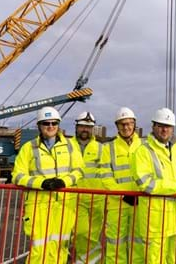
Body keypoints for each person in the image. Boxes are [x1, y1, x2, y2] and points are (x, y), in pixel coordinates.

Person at [12, 106, 85, 264]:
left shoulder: (71, 146)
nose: (50, 126)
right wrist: (41, 183)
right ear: (39, 125)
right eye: (46, 123)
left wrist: (63, 182)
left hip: (65, 204)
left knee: (61, 247)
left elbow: (79, 170)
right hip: (39, 205)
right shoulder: (28, 148)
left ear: (58, 125)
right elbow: (17, 176)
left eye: (54, 123)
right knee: (39, 249)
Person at [130, 107, 176, 264]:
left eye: (168, 126)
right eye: (160, 125)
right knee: (155, 260)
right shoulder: (143, 151)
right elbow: (146, 183)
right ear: (153, 127)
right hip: (156, 221)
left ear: (173, 129)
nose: (164, 129)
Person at [99, 107, 142, 263]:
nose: (126, 127)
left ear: (134, 124)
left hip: (140, 204)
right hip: (117, 205)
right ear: (117, 126)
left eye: (129, 123)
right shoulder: (108, 148)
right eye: (122, 124)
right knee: (115, 244)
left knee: (138, 244)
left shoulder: (144, 146)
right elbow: (105, 176)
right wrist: (123, 194)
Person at [69, 112, 104, 264]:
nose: (85, 129)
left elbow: (107, 172)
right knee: (82, 232)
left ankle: (91, 261)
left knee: (93, 235)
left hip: (97, 199)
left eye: (89, 127)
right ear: (76, 127)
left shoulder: (101, 148)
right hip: (75, 198)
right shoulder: (67, 146)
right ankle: (83, 260)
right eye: (82, 126)